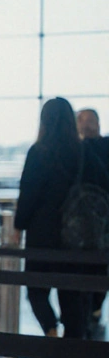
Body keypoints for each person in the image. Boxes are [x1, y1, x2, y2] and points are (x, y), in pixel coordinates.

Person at [16, 98, 109, 358]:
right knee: (72, 295)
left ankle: (51, 333)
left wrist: (19, 224)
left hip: (42, 236)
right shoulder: (84, 153)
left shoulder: (39, 152)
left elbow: (28, 195)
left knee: (36, 291)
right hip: (76, 238)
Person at [76, 108, 109, 327]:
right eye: (82, 121)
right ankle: (89, 308)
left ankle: (93, 306)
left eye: (90, 121)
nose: (86, 125)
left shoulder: (80, 150)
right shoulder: (77, 150)